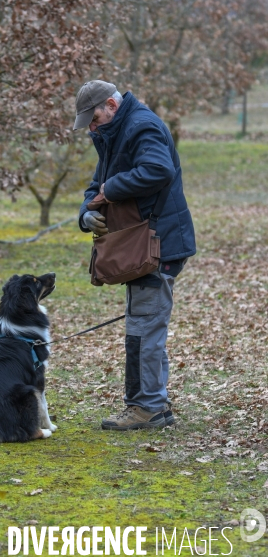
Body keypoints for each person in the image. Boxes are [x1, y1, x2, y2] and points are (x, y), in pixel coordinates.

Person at [74, 80, 196, 430]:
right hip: (143, 242)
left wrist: (109, 191)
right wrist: (87, 213)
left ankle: (148, 409)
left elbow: (159, 170)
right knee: (146, 325)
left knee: (143, 328)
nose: (92, 128)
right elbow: (95, 185)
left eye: (94, 118)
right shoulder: (114, 133)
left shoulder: (141, 126)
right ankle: (152, 402)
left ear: (112, 104)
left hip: (159, 243)